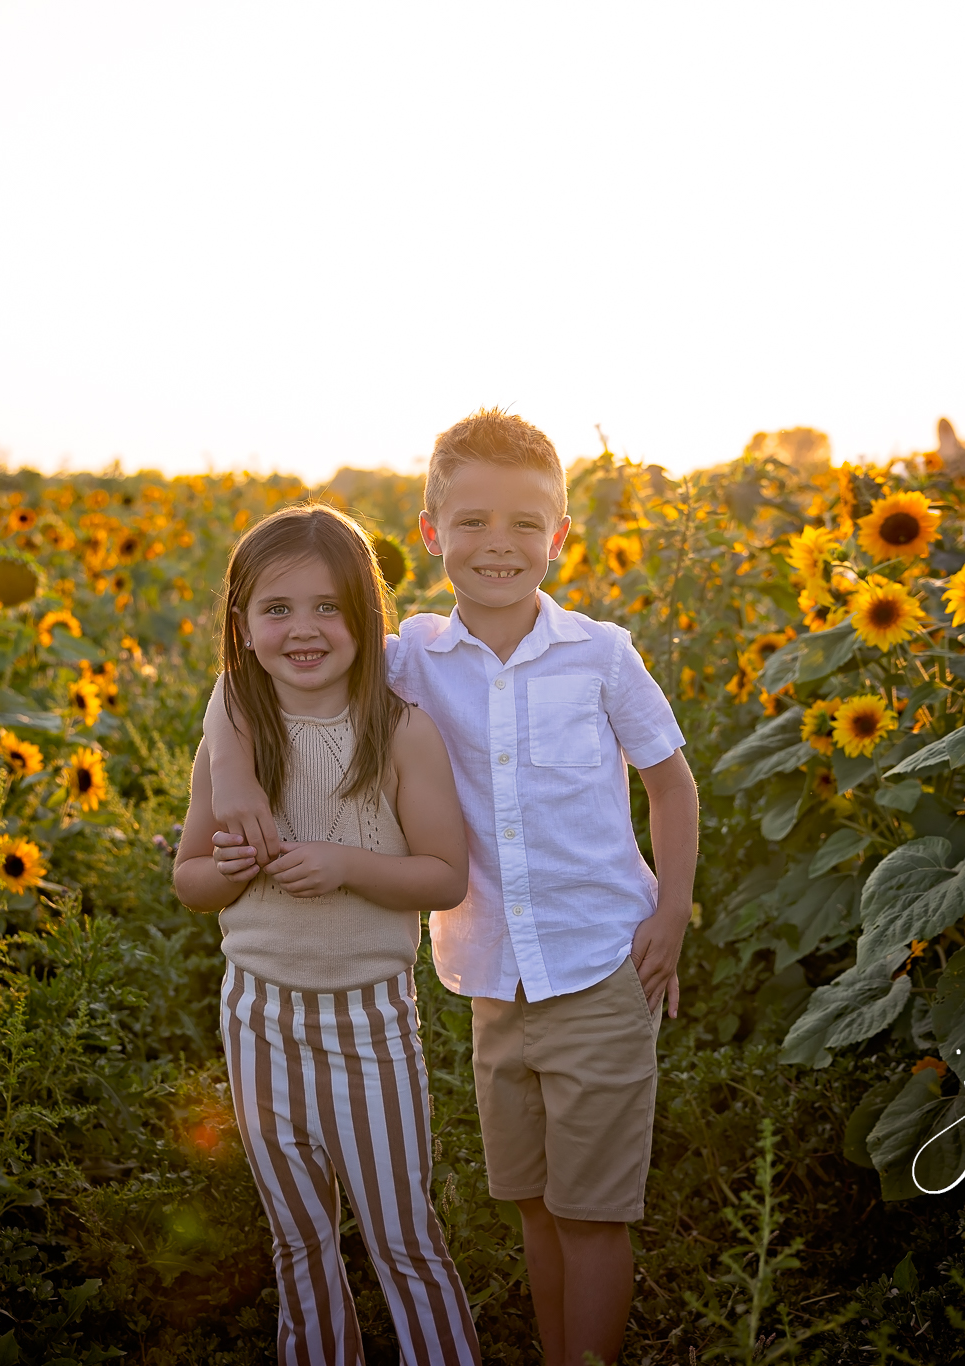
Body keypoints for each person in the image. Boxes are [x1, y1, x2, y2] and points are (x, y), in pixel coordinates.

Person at [204, 410, 700, 1365]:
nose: (498, 545)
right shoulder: (409, 658)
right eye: (470, 522)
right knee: (534, 1205)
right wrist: (230, 774)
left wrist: (671, 910)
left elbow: (670, 782)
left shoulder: (602, 654)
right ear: (431, 532)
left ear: (562, 536)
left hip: (603, 964)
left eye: (525, 523)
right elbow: (252, 678)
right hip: (488, 977)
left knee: (592, 1212)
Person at [173, 504, 481, 1365]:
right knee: (299, 1243)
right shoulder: (235, 733)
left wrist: (347, 863)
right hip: (258, 1019)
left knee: (405, 1240)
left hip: (370, 1025)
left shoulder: (398, 733)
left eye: (327, 608)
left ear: (368, 619)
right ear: (241, 624)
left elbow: (445, 877)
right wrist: (233, 869)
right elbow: (190, 879)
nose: (302, 629)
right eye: (276, 610)